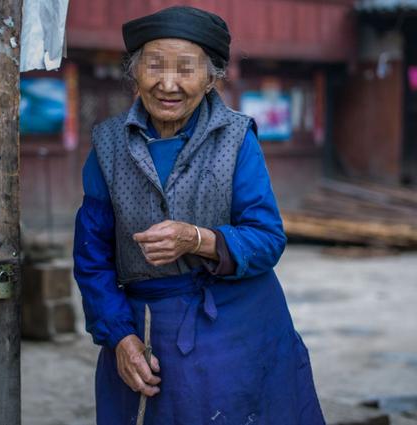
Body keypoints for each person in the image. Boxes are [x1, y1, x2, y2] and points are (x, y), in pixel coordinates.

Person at [73, 6, 325, 425]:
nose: (167, 83)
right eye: (153, 66)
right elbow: (91, 256)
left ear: (211, 79)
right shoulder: (108, 146)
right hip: (147, 327)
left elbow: (267, 238)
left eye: (186, 69)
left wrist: (197, 239)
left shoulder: (237, 138)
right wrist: (119, 336)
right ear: (134, 74)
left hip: (240, 325)